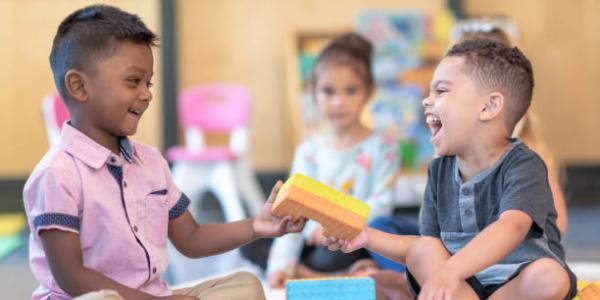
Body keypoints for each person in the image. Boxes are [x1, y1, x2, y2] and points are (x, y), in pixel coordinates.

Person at [23, 5, 305, 300]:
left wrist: (255, 226)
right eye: (133, 81)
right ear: (79, 86)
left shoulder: (151, 162)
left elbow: (191, 238)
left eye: (149, 82)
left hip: (154, 295)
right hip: (89, 298)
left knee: (244, 286)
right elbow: (71, 277)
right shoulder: (57, 174)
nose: (146, 93)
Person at [325, 39, 577, 300]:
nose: (426, 101)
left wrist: (450, 271)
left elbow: (512, 227)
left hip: (514, 285)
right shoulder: (439, 171)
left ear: (489, 107)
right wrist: (365, 236)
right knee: (424, 249)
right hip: (464, 289)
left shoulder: (524, 164)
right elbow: (424, 246)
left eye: (441, 91)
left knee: (550, 276)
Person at [266, 32, 402, 288]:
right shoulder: (309, 150)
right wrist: (280, 267)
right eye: (328, 91)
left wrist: (336, 227)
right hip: (316, 242)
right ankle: (335, 274)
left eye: (351, 91)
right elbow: (293, 209)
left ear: (368, 92)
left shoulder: (383, 147)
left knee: (376, 244)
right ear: (313, 92)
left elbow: (380, 205)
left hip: (357, 239)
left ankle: (324, 274)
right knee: (258, 241)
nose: (339, 102)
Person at [451, 19, 568, 234]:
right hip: (458, 248)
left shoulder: (528, 154)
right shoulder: (450, 156)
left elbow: (557, 222)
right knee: (391, 228)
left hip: (507, 255)